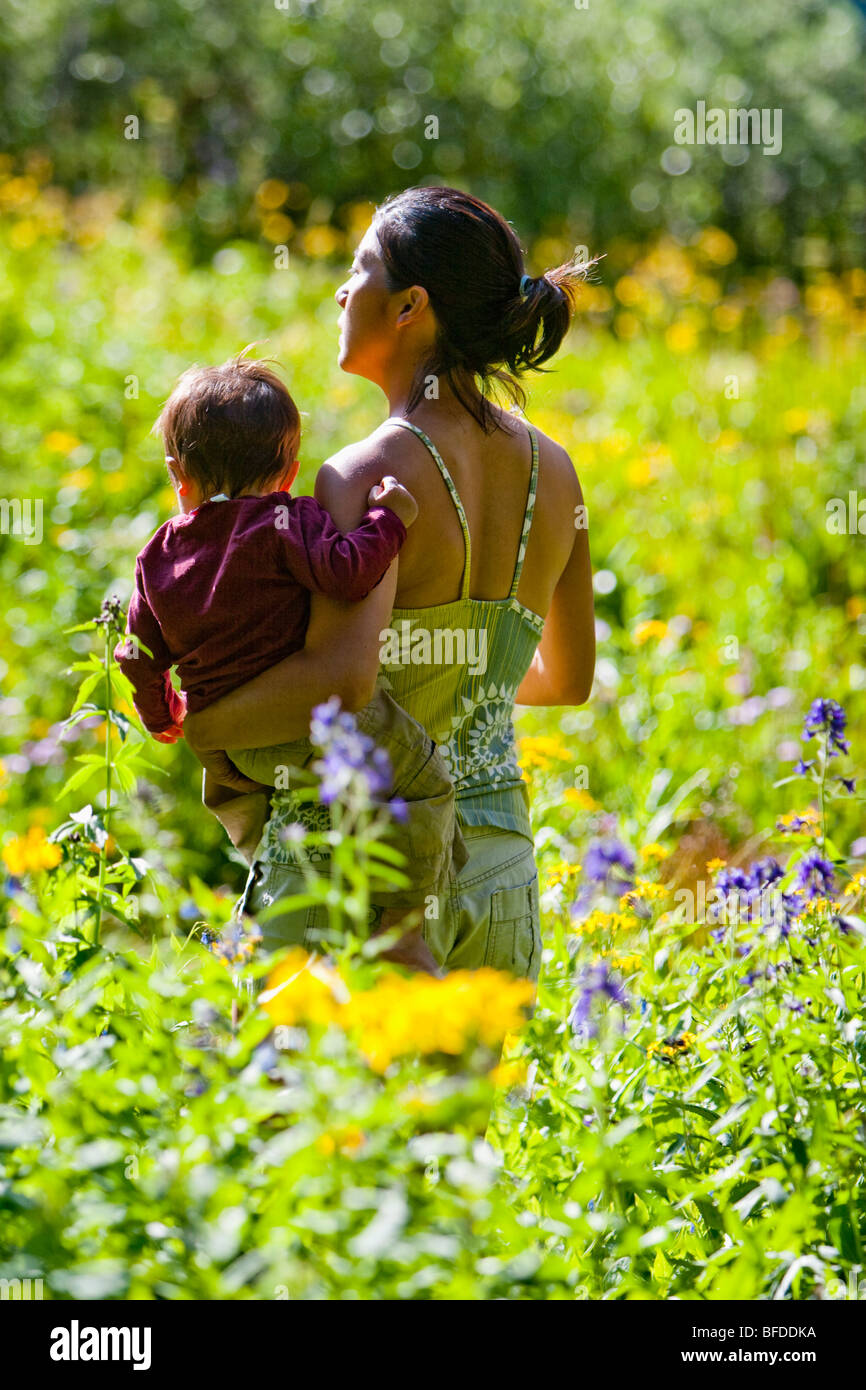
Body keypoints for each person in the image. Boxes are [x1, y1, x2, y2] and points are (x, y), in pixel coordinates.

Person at [185, 186, 596, 989]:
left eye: (359, 267)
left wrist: (205, 724)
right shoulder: (558, 471)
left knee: (306, 1115)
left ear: (410, 306)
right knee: (458, 1116)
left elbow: (344, 679)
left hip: (360, 871)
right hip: (500, 871)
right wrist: (467, 675)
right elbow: (568, 680)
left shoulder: (362, 474)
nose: (342, 291)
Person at [114, 352, 465, 972]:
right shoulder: (285, 522)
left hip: (238, 752)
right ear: (290, 471)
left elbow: (137, 655)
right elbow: (351, 573)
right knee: (427, 784)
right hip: (308, 725)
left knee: (257, 808)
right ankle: (407, 924)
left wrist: (162, 714)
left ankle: (268, 874)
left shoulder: (156, 557)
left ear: (178, 474)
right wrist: (390, 518)